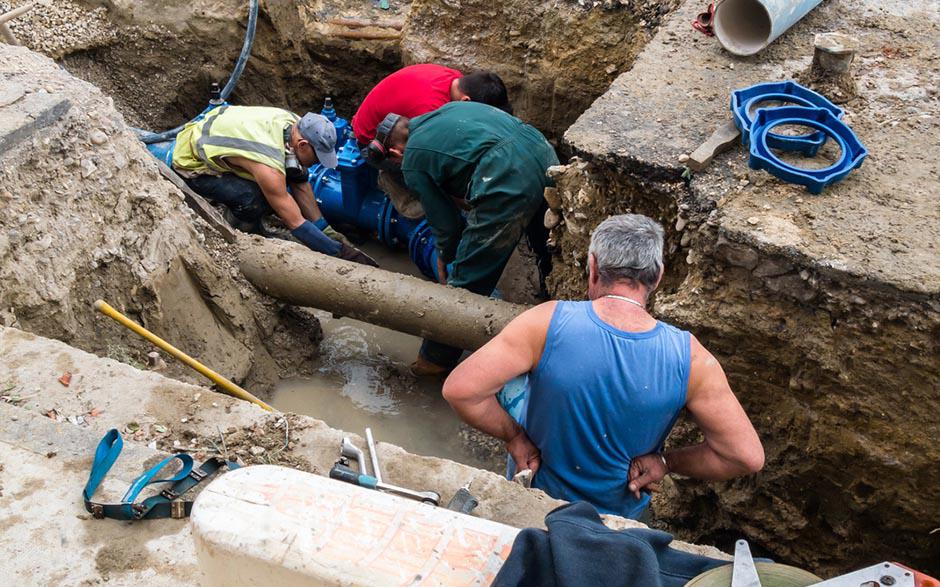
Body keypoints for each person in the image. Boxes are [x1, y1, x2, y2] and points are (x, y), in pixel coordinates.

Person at [441, 214, 765, 520]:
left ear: (593, 267)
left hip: (537, 500)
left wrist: (514, 437)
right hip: (615, 518)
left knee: (515, 383)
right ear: (658, 276)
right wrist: (666, 462)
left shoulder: (547, 322)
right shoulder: (692, 358)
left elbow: (462, 390)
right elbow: (745, 455)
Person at [381, 101, 558, 375]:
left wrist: (447, 257)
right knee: (548, 246)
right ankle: (555, 311)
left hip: (506, 175)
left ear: (394, 151)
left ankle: (433, 364)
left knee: (468, 280)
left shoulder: (412, 158)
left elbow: (447, 224)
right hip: (542, 153)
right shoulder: (445, 112)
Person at [172, 105, 375, 265]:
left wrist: (326, 230)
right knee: (256, 199)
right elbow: (294, 222)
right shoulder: (268, 165)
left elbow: (300, 183)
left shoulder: (296, 124)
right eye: (318, 157)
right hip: (192, 161)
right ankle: (239, 235)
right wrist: (338, 252)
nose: (318, 164)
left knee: (278, 188)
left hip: (218, 128)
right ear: (303, 145)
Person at [352, 64, 512, 219]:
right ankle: (393, 182)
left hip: (395, 123)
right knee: (439, 191)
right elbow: (432, 163)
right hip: (372, 143)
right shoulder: (430, 112)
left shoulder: (456, 79)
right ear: (466, 100)